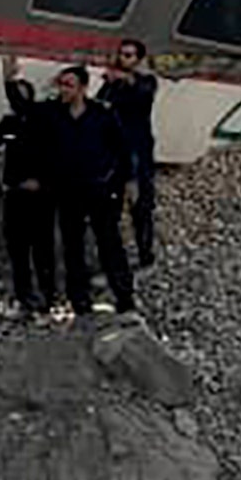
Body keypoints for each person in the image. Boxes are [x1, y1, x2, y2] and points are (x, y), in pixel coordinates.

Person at [0, 64, 59, 319]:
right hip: (15, 194)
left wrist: (44, 182)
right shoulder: (9, 123)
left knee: (41, 248)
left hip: (41, 196)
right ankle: (23, 297)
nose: (15, 99)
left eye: (19, 94)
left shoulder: (45, 121)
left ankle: (48, 299)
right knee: (17, 249)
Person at [46, 64, 137, 318]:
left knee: (109, 243)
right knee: (72, 247)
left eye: (69, 85)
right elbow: (26, 112)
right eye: (61, 84)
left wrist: (126, 183)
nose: (63, 89)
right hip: (68, 192)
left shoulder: (102, 115)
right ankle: (80, 302)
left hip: (100, 190)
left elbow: (122, 150)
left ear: (83, 88)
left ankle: (125, 298)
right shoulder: (54, 114)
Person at [100, 36, 160, 268]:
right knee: (109, 205)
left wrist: (124, 78)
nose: (122, 59)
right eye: (121, 54)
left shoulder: (146, 81)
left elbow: (144, 93)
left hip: (137, 150)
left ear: (138, 59)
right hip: (114, 149)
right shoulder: (113, 83)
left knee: (141, 206)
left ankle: (145, 254)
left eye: (128, 55)